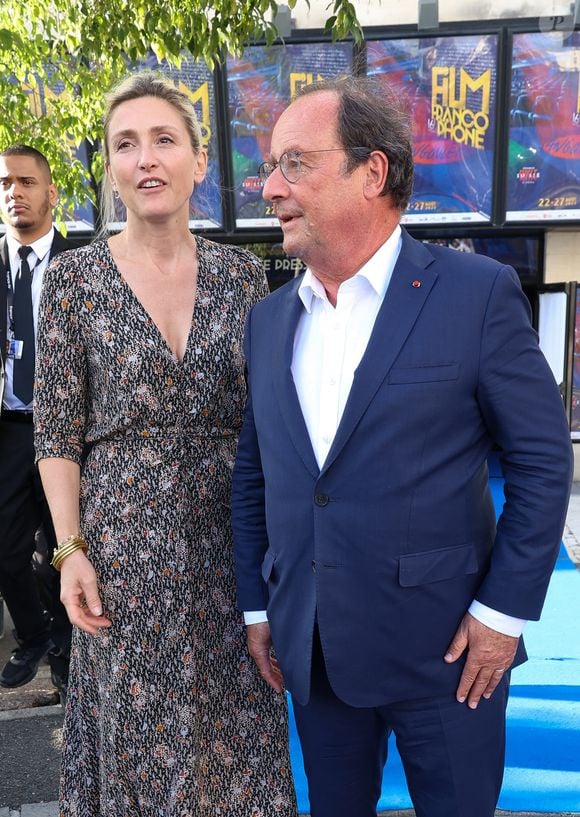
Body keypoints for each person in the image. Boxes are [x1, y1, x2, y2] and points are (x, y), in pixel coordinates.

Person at [231, 76, 573, 817]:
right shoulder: (267, 322)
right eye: (269, 168)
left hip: (449, 657)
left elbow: (544, 463)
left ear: (372, 172)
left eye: (294, 163)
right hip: (315, 654)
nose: (269, 188)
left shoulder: (476, 293)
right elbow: (257, 476)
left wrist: (502, 616)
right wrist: (260, 610)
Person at [33, 72, 296, 815]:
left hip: (230, 547)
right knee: (133, 743)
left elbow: (265, 424)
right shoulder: (74, 281)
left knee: (235, 736)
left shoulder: (244, 277)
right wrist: (70, 548)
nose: (145, 158)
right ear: (111, 169)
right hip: (122, 556)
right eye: (125, 144)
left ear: (198, 159)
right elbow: (56, 429)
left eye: (163, 139)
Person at [0, 144, 73, 698]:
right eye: (5, 183)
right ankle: (33, 634)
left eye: (26, 182)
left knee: (64, 550)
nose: (14, 193)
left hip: (65, 429)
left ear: (50, 193)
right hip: (9, 429)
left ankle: (69, 665)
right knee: (6, 551)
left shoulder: (84, 266)